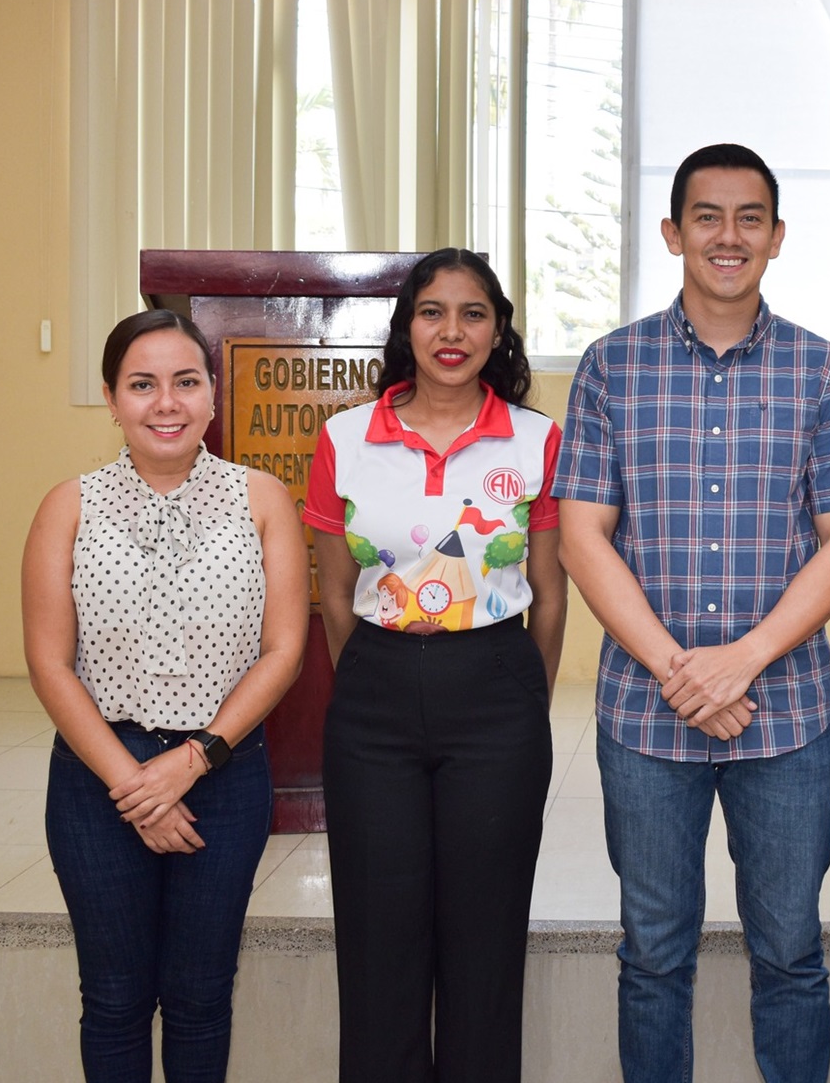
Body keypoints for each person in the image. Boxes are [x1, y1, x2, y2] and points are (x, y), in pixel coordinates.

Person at [553, 143, 830, 1083]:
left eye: (750, 218)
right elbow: (583, 538)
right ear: (673, 233)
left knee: (790, 952)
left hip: (784, 722)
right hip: (644, 718)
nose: (727, 236)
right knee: (654, 953)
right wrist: (683, 672)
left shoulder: (823, 371)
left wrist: (742, 661)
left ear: (777, 237)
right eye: (707, 216)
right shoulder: (611, 366)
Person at [22, 309, 308, 1083]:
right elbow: (49, 663)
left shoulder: (261, 500)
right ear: (111, 399)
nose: (167, 403)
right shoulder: (68, 507)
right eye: (142, 385)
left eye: (185, 382)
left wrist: (193, 761)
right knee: (114, 1000)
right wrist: (135, 786)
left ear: (213, 394)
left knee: (200, 999)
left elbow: (284, 651)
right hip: (97, 778)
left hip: (224, 770)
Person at [303, 247, 566, 1082]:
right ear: (406, 328)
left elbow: (550, 598)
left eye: (473, 313)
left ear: (498, 331)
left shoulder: (536, 440)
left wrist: (519, 697)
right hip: (373, 703)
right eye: (432, 312)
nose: (452, 332)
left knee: (486, 939)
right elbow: (335, 594)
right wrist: (376, 677)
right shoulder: (345, 438)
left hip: (497, 697)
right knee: (377, 933)